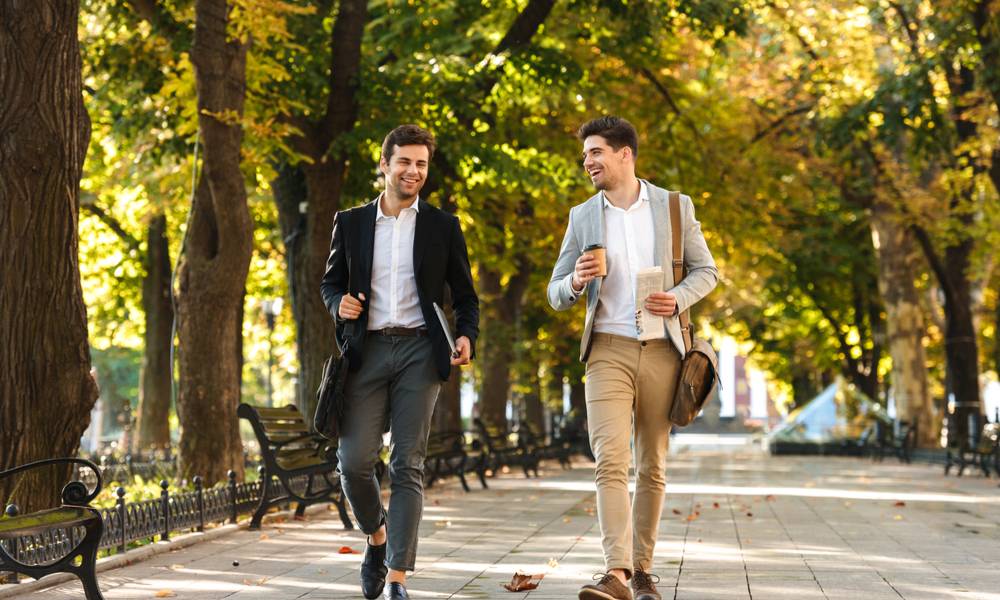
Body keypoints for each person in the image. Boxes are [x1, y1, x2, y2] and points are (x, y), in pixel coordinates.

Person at [547, 116, 718, 600]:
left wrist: (677, 298)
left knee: (651, 464)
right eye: (585, 155)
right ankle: (616, 573)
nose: (587, 162)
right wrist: (576, 280)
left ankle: (643, 571)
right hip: (606, 350)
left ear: (625, 154)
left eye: (595, 152)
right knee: (609, 460)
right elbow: (555, 292)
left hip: (664, 349)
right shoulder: (583, 216)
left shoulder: (674, 207)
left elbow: (707, 271)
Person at [320, 124, 479, 600]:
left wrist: (466, 335)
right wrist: (339, 304)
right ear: (384, 164)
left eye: (421, 164)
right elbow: (330, 284)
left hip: (420, 353)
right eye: (405, 161)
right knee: (354, 463)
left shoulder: (442, 226)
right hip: (365, 352)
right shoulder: (351, 222)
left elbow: (465, 296)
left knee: (407, 464)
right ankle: (377, 536)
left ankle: (397, 577)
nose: (414, 171)